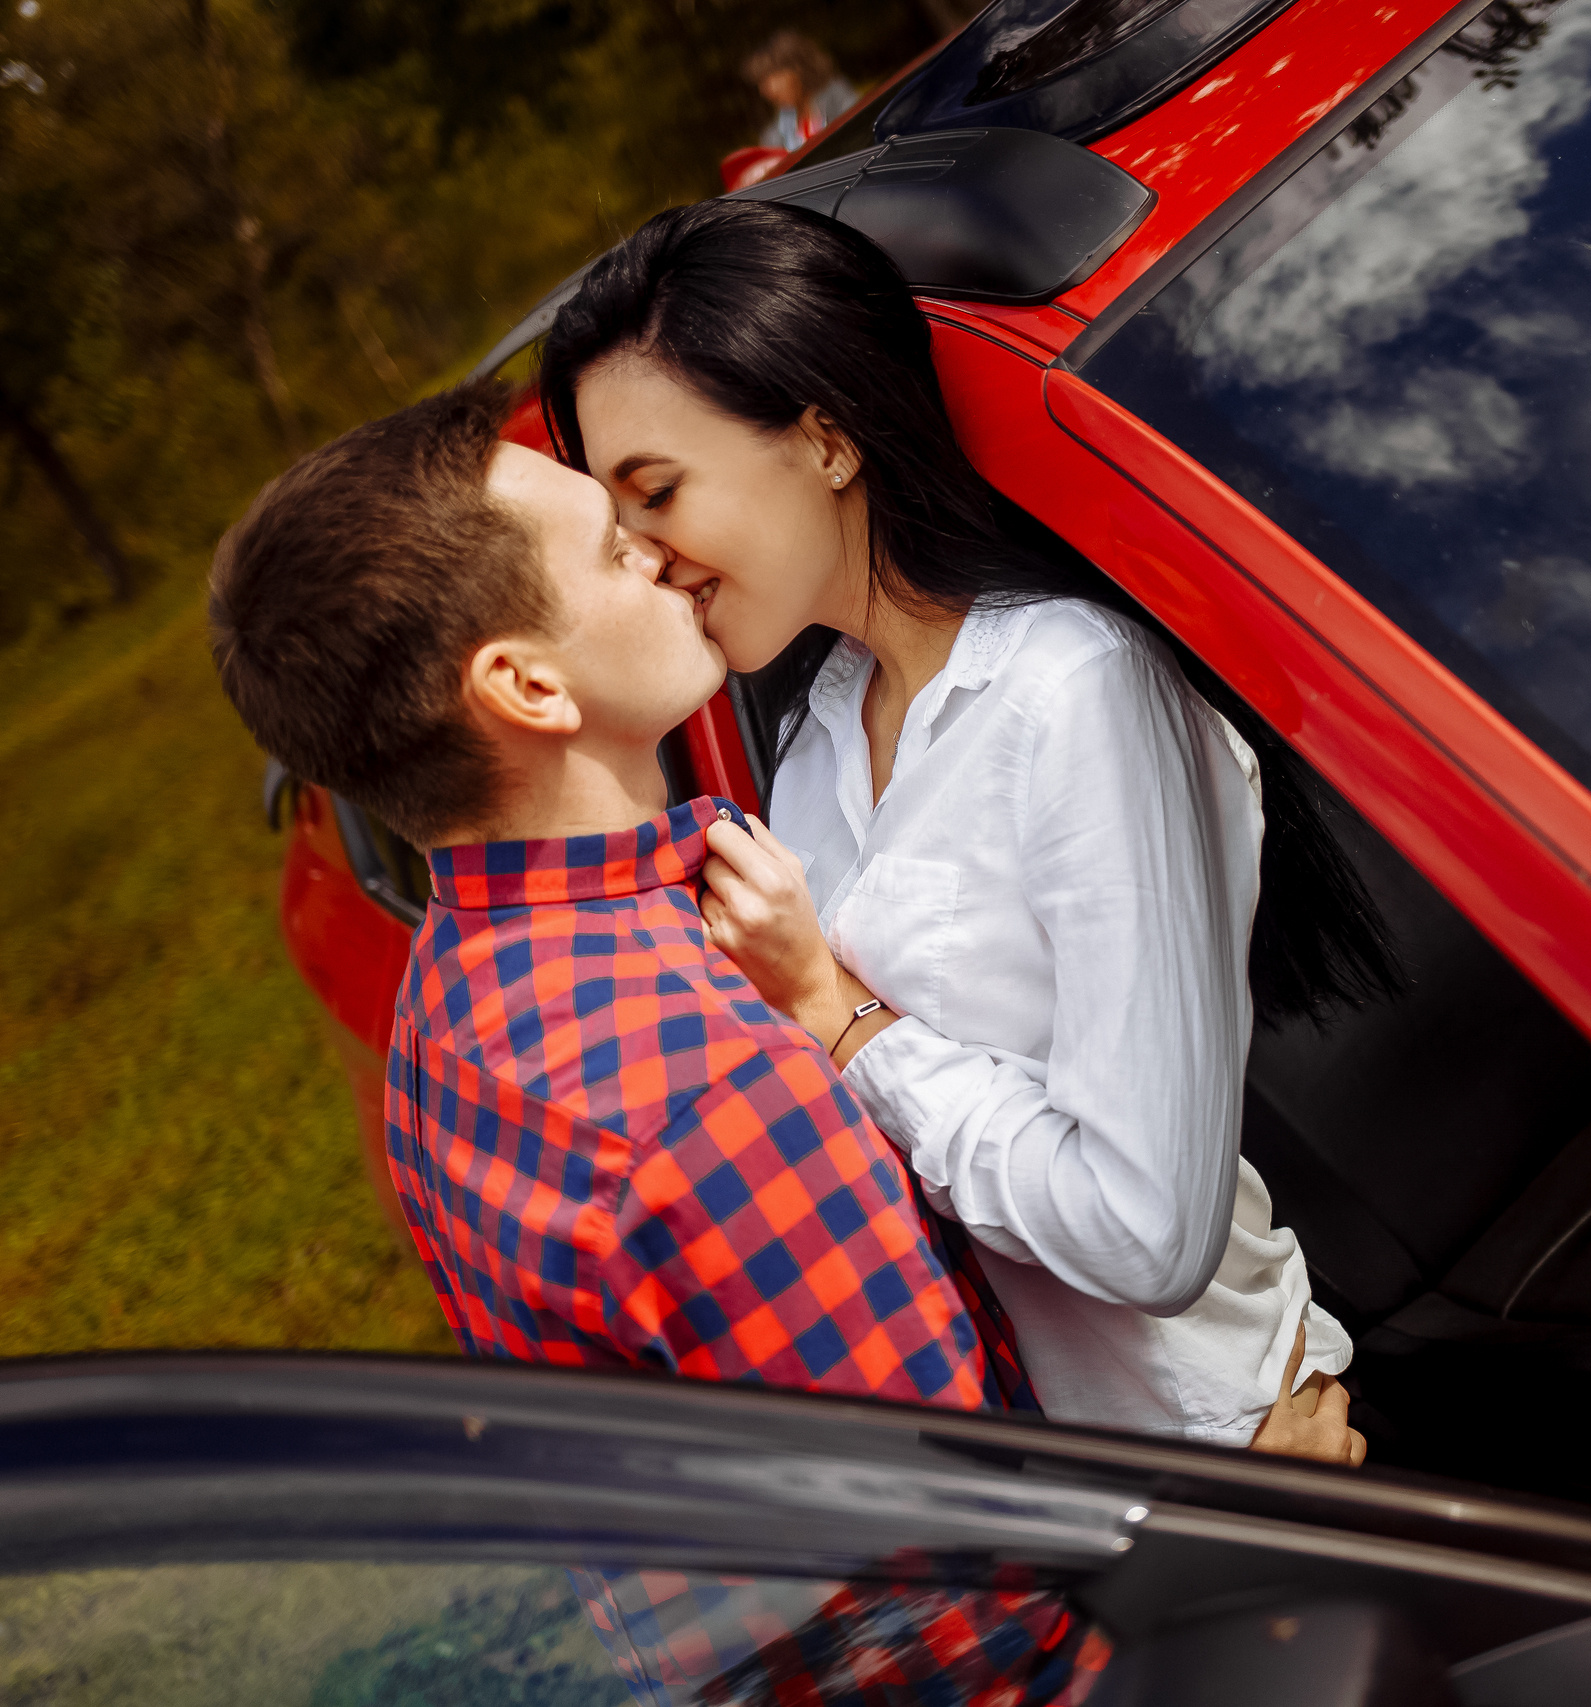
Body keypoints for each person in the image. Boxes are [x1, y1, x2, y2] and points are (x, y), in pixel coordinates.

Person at [542, 200, 1395, 1464]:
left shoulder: (1075, 691)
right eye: (619, 528)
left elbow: (1147, 1233)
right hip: (1037, 1479)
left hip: (1217, 1446)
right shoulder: (824, 723)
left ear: (826, 438)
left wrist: (844, 1021)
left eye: (656, 492)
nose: (650, 559)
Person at [206, 382, 1035, 1416]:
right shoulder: (717, 1096)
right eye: (609, 548)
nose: (657, 551)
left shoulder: (439, 1008)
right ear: (530, 689)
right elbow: (952, 1556)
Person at [743, 31, 857, 154]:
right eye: (761, 83)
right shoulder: (773, 138)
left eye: (773, 77)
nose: (767, 91)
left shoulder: (838, 98)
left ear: (798, 69)